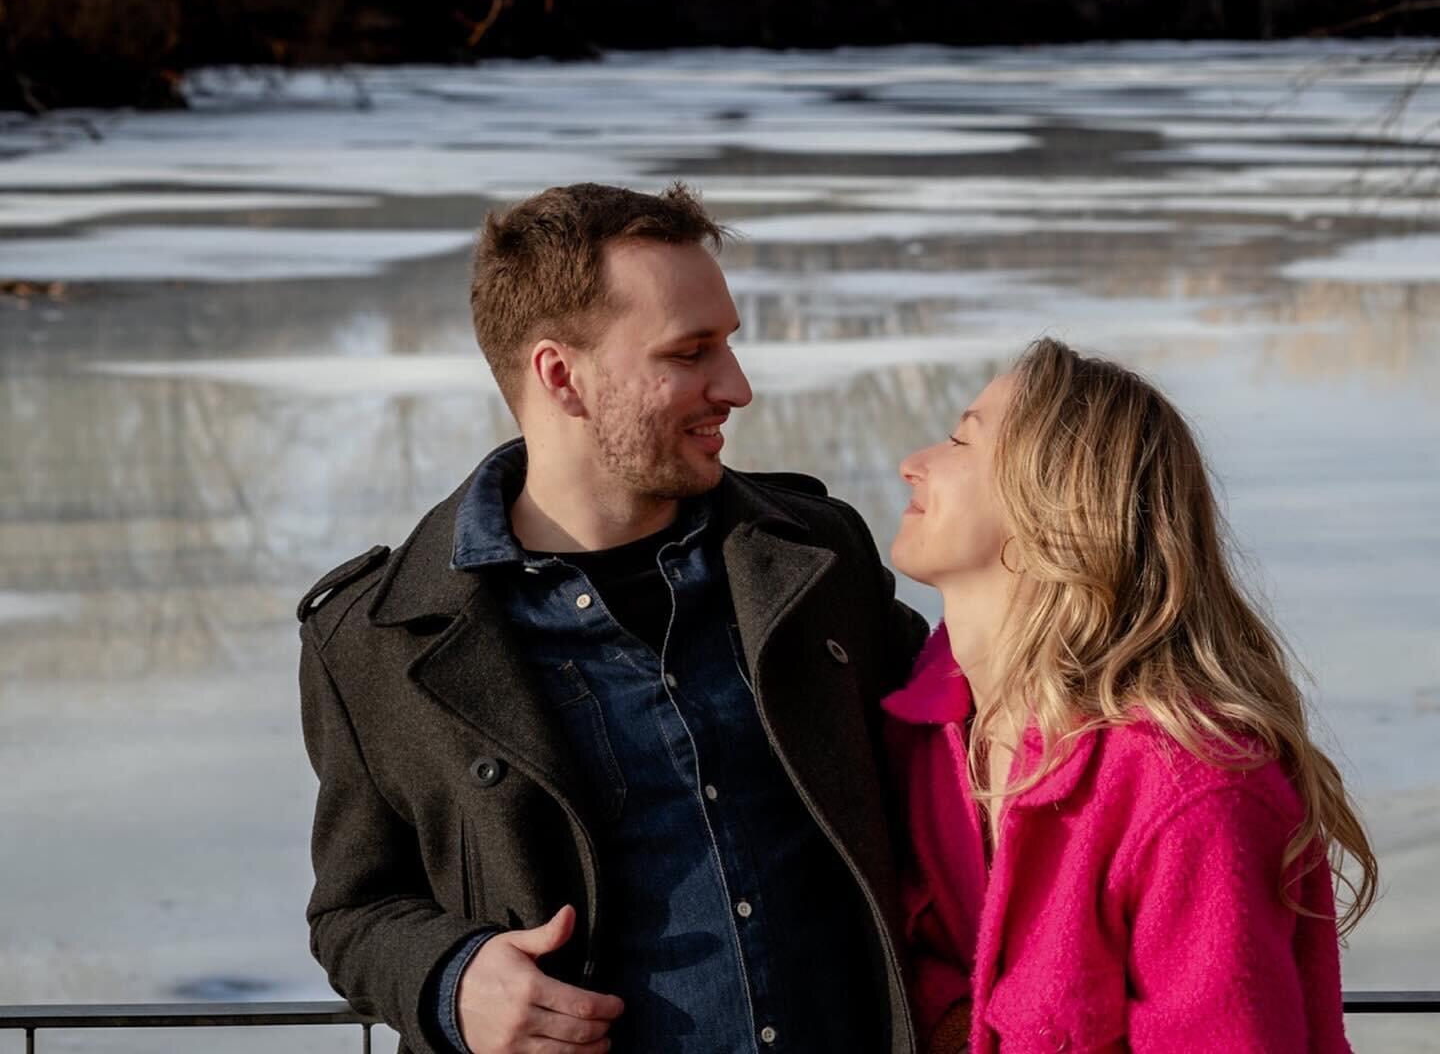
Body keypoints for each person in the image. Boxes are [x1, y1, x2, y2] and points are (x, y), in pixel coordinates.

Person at [298, 181, 928, 1054]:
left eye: (728, 345)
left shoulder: (818, 559)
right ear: (562, 376)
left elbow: (960, 760)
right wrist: (452, 981)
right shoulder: (375, 639)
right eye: (690, 352)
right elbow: (354, 911)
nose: (735, 387)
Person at [883, 336, 1378, 1054]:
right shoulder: (928, 723)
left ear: (1051, 511)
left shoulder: (1190, 785)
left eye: (962, 441)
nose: (913, 465)